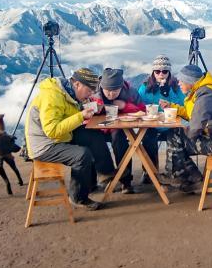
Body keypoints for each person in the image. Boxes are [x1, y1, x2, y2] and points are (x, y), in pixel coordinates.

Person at [24, 68, 106, 210]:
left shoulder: (67, 93)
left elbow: (66, 112)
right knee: (82, 155)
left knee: (93, 136)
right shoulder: (52, 96)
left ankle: (96, 180)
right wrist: (81, 116)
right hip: (44, 145)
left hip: (60, 137)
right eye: (89, 90)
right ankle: (78, 197)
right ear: (77, 84)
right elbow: (52, 131)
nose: (91, 94)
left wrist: (87, 108)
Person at [158, 64, 212, 193]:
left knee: (175, 137)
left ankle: (177, 175)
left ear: (190, 82)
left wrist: (184, 132)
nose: (179, 83)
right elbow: (192, 114)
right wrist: (171, 106)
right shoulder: (201, 91)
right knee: (177, 137)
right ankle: (191, 177)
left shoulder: (206, 95)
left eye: (181, 80)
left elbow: (195, 127)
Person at [92, 68, 145, 194]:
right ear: (101, 86)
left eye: (115, 91)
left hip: (119, 127)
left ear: (121, 87)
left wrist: (125, 106)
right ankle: (95, 181)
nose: (111, 94)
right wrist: (95, 109)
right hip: (99, 128)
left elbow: (142, 110)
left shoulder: (130, 92)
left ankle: (126, 182)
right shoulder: (93, 91)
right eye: (107, 91)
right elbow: (81, 107)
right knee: (91, 140)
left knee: (120, 142)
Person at [137, 55, 186, 185]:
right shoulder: (145, 87)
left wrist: (168, 94)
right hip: (152, 124)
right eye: (157, 71)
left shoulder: (176, 86)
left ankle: (173, 173)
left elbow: (183, 104)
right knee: (147, 137)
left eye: (164, 71)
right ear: (153, 72)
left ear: (169, 72)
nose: (161, 74)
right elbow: (140, 106)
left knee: (175, 136)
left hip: (170, 123)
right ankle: (150, 172)